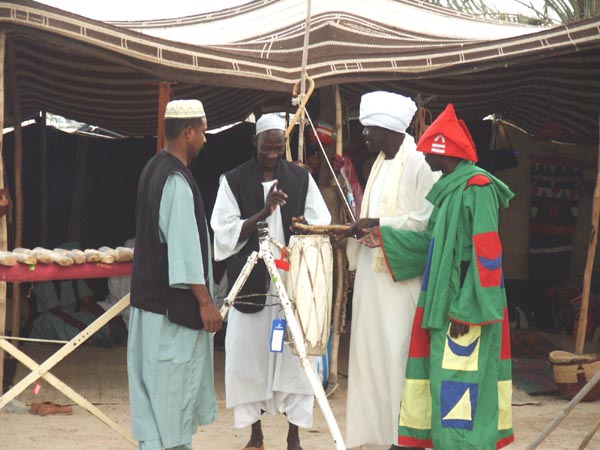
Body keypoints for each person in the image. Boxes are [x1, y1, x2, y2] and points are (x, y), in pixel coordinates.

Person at [360, 104, 514, 450]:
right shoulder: (448, 191)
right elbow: (433, 246)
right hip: (444, 308)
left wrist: (467, 311)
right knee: (443, 387)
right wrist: (384, 238)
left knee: (463, 389)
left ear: (442, 151)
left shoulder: (478, 188)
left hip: (467, 312)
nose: (422, 157)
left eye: (426, 151)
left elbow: (487, 256)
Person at [211, 113, 331, 450]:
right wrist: (262, 214)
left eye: (279, 148)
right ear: (255, 143)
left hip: (292, 286)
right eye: (267, 148)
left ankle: (294, 437)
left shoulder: (301, 178)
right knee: (247, 358)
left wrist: (303, 223)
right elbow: (223, 232)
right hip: (251, 284)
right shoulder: (233, 180)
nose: (273, 154)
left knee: (296, 359)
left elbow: (321, 221)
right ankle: (256, 435)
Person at [338, 91, 439, 450]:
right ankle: (375, 437)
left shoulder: (420, 162)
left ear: (390, 128)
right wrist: (358, 232)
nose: (364, 136)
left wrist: (379, 224)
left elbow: (427, 220)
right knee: (369, 359)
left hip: (401, 282)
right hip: (371, 279)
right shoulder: (379, 162)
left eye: (369, 129)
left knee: (399, 358)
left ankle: (404, 438)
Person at [128, 98, 222, 450]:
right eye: (203, 131)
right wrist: (206, 303)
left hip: (149, 311)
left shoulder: (153, 168)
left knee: (156, 414)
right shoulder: (176, 182)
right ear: (188, 132)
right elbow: (183, 255)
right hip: (170, 318)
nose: (206, 139)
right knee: (172, 409)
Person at [29, 241, 124, 347]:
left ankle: (111, 337)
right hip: (48, 320)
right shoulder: (47, 281)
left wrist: (108, 319)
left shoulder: (75, 279)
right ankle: (91, 343)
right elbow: (56, 312)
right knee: (65, 326)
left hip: (71, 315)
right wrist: (80, 326)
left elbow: (89, 303)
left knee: (92, 320)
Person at [98, 237, 135, 330]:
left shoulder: (148, 271)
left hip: (136, 311)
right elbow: (115, 299)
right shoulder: (115, 274)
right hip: (119, 309)